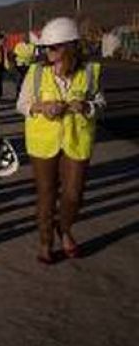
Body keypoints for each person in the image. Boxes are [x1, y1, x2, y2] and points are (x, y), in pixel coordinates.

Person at [16, 17, 104, 264]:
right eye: (45, 47)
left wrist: (86, 106)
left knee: (74, 194)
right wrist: (41, 107)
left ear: (70, 47)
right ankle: (46, 242)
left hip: (77, 142)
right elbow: (21, 105)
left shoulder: (89, 72)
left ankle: (64, 229)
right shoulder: (35, 72)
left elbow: (101, 104)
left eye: (53, 47)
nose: (48, 52)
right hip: (43, 144)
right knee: (46, 193)